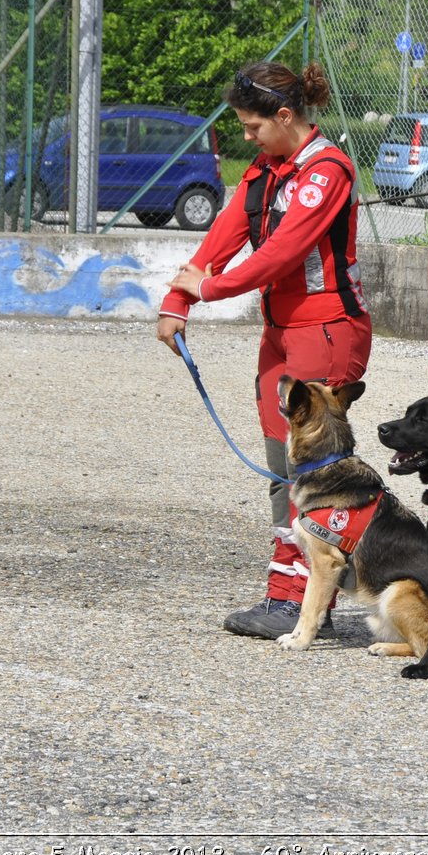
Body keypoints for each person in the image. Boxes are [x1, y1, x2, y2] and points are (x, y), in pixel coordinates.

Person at [157, 60, 371, 639]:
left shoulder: (328, 169)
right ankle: (288, 592)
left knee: (315, 466)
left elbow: (280, 252)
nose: (247, 138)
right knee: (282, 465)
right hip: (282, 332)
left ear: (285, 115)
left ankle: (310, 598)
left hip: (326, 330)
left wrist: (210, 289)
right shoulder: (270, 167)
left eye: (253, 127)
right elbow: (229, 229)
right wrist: (180, 298)